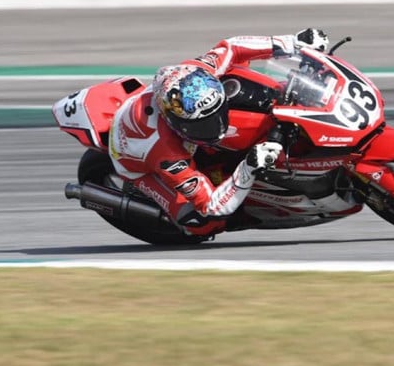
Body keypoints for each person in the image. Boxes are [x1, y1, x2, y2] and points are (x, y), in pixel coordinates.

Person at [107, 28, 330, 238]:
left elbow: (233, 47)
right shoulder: (167, 155)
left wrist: (293, 43)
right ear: (176, 123)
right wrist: (247, 168)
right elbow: (211, 206)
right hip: (135, 162)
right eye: (202, 125)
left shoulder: (195, 73)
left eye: (217, 114)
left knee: (240, 73)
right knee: (202, 222)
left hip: (165, 114)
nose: (217, 127)